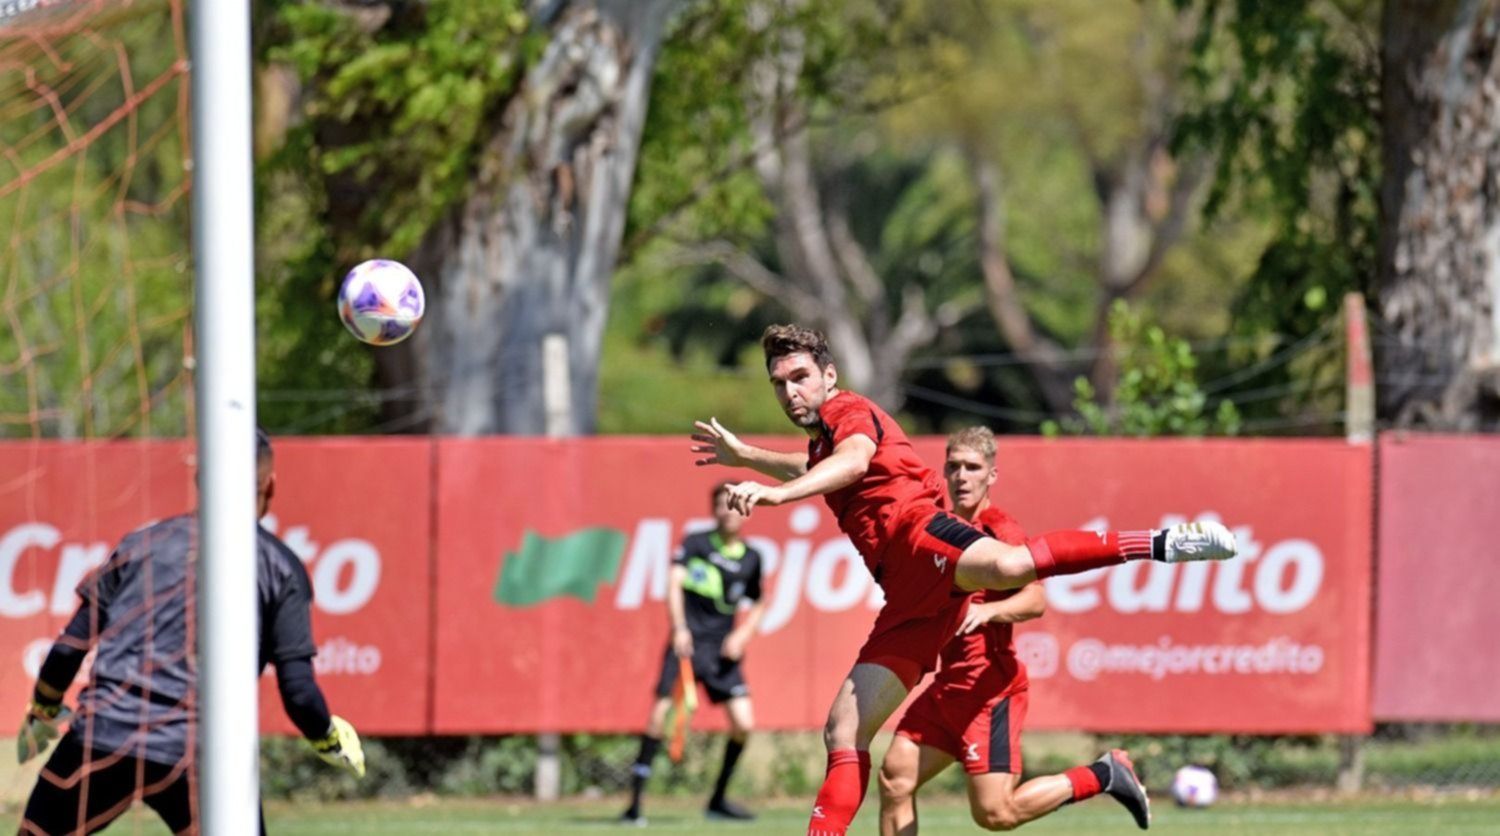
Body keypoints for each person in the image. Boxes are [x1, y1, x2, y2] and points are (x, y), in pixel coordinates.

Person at [690, 324, 1236, 835]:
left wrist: (777, 496)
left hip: (921, 536)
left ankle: (1164, 543)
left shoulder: (847, 410)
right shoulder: (821, 440)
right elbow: (815, 465)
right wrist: (747, 456)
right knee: (845, 732)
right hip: (906, 596)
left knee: (1011, 566)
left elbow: (853, 462)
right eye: (779, 383)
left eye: (800, 377)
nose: (790, 392)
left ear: (829, 376)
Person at [16, 428, 365, 835]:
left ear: (200, 480)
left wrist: (44, 707)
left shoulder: (140, 545)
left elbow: (67, 650)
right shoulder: (280, 567)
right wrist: (326, 736)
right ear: (270, 485)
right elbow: (299, 692)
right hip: (202, 755)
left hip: (105, 736)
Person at [878, 426, 1149, 833]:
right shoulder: (941, 526)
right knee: (895, 778)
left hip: (989, 691)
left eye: (973, 467)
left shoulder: (999, 529)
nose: (962, 476)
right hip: (949, 687)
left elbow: (1035, 600)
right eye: (954, 467)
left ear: (992, 475)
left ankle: (1103, 774)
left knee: (995, 814)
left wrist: (990, 611)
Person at [622, 482, 768, 824]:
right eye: (721, 505)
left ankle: (717, 800)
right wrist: (679, 628)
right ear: (713, 510)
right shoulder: (695, 543)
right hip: (686, 646)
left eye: (733, 504)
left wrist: (743, 635)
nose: (727, 511)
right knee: (658, 717)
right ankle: (634, 806)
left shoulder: (752, 557)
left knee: (743, 724)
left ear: (745, 510)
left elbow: (759, 601)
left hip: (722, 654)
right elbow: (673, 584)